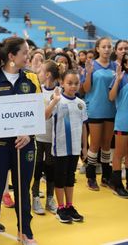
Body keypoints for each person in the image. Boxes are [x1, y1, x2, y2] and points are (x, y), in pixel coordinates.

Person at [0, 37, 40, 245]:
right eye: (24, 52)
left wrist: (28, 133)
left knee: (23, 190)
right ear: (12, 56)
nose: (27, 56)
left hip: (25, 144)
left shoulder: (31, 78)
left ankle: (26, 232)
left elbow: (37, 110)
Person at [45, 70, 87, 223]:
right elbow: (45, 115)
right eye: (69, 83)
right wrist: (54, 101)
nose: (73, 86)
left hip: (75, 148)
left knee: (70, 177)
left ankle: (69, 205)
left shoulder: (81, 104)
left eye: (76, 83)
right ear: (62, 83)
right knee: (60, 177)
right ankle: (60, 207)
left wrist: (84, 147)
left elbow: (84, 127)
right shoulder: (57, 99)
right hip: (60, 148)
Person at [82, 37, 116, 190]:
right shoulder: (91, 65)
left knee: (107, 145)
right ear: (97, 49)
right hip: (95, 109)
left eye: (109, 46)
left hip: (111, 110)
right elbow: (86, 89)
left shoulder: (116, 66)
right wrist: (88, 73)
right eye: (104, 46)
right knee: (94, 145)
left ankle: (106, 176)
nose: (107, 49)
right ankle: (90, 177)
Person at [31, 60, 61, 216]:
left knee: (51, 169)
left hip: (53, 139)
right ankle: (35, 196)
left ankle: (50, 198)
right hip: (38, 137)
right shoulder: (37, 90)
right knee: (36, 168)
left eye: (41, 71)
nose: (38, 74)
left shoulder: (60, 92)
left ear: (48, 74)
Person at [109, 53, 128, 197]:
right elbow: (111, 97)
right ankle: (117, 184)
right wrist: (117, 80)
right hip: (123, 122)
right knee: (119, 154)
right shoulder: (120, 78)